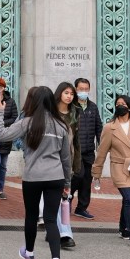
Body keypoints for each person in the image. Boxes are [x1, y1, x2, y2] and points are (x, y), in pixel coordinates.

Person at [0, 86, 71, 259]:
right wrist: (67, 182)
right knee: (52, 219)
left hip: (33, 177)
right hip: (56, 176)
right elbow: (66, 159)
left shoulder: (27, 123)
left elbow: (1, 135)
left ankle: (29, 254)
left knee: (31, 216)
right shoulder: (61, 125)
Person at [93, 94, 130, 248]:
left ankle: (122, 228)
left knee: (128, 199)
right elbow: (101, 151)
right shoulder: (109, 127)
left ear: (129, 107)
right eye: (118, 103)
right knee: (129, 199)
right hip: (119, 167)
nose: (120, 106)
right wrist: (96, 174)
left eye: (123, 103)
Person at [54, 81, 82, 249]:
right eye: (66, 93)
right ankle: (64, 233)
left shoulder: (75, 114)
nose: (69, 96)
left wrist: (76, 164)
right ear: (59, 93)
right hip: (51, 160)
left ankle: (58, 230)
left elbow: (76, 142)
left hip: (67, 161)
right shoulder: (51, 113)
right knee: (56, 198)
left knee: (64, 198)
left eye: (71, 94)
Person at [72, 78, 103, 219]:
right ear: (75, 89)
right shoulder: (71, 106)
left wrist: (101, 145)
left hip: (89, 151)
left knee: (86, 180)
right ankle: (66, 199)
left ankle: (82, 208)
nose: (83, 91)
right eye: (80, 89)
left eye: (86, 89)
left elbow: (98, 127)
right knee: (77, 177)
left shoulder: (93, 107)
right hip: (75, 151)